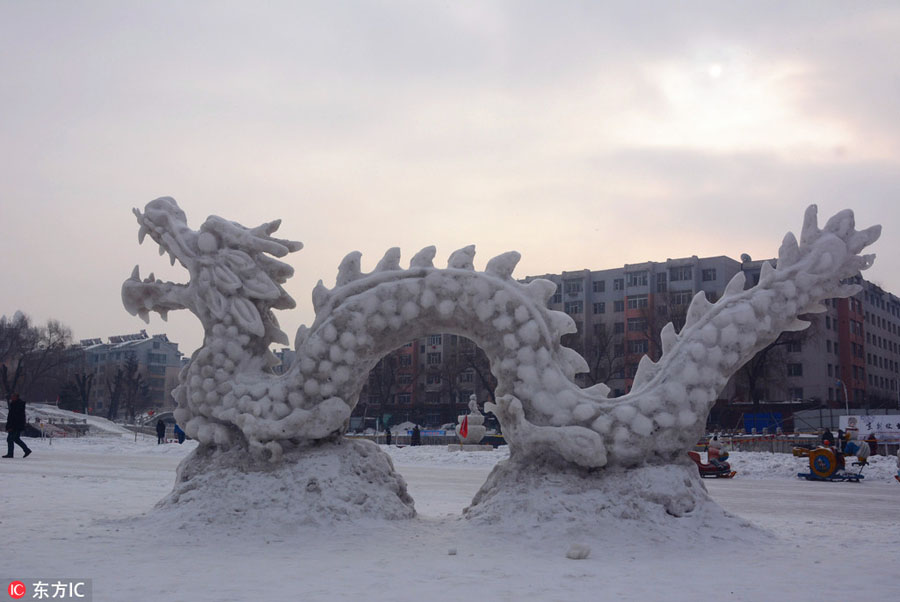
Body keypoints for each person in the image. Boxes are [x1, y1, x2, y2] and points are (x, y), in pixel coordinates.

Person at [4, 393, 32, 458]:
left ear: (16, 397)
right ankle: (26, 450)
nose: (11, 397)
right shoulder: (16, 404)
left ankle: (10, 454)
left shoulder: (17, 405)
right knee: (16, 439)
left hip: (15, 426)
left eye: (13, 396)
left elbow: (14, 417)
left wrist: (11, 426)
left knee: (10, 439)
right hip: (17, 425)